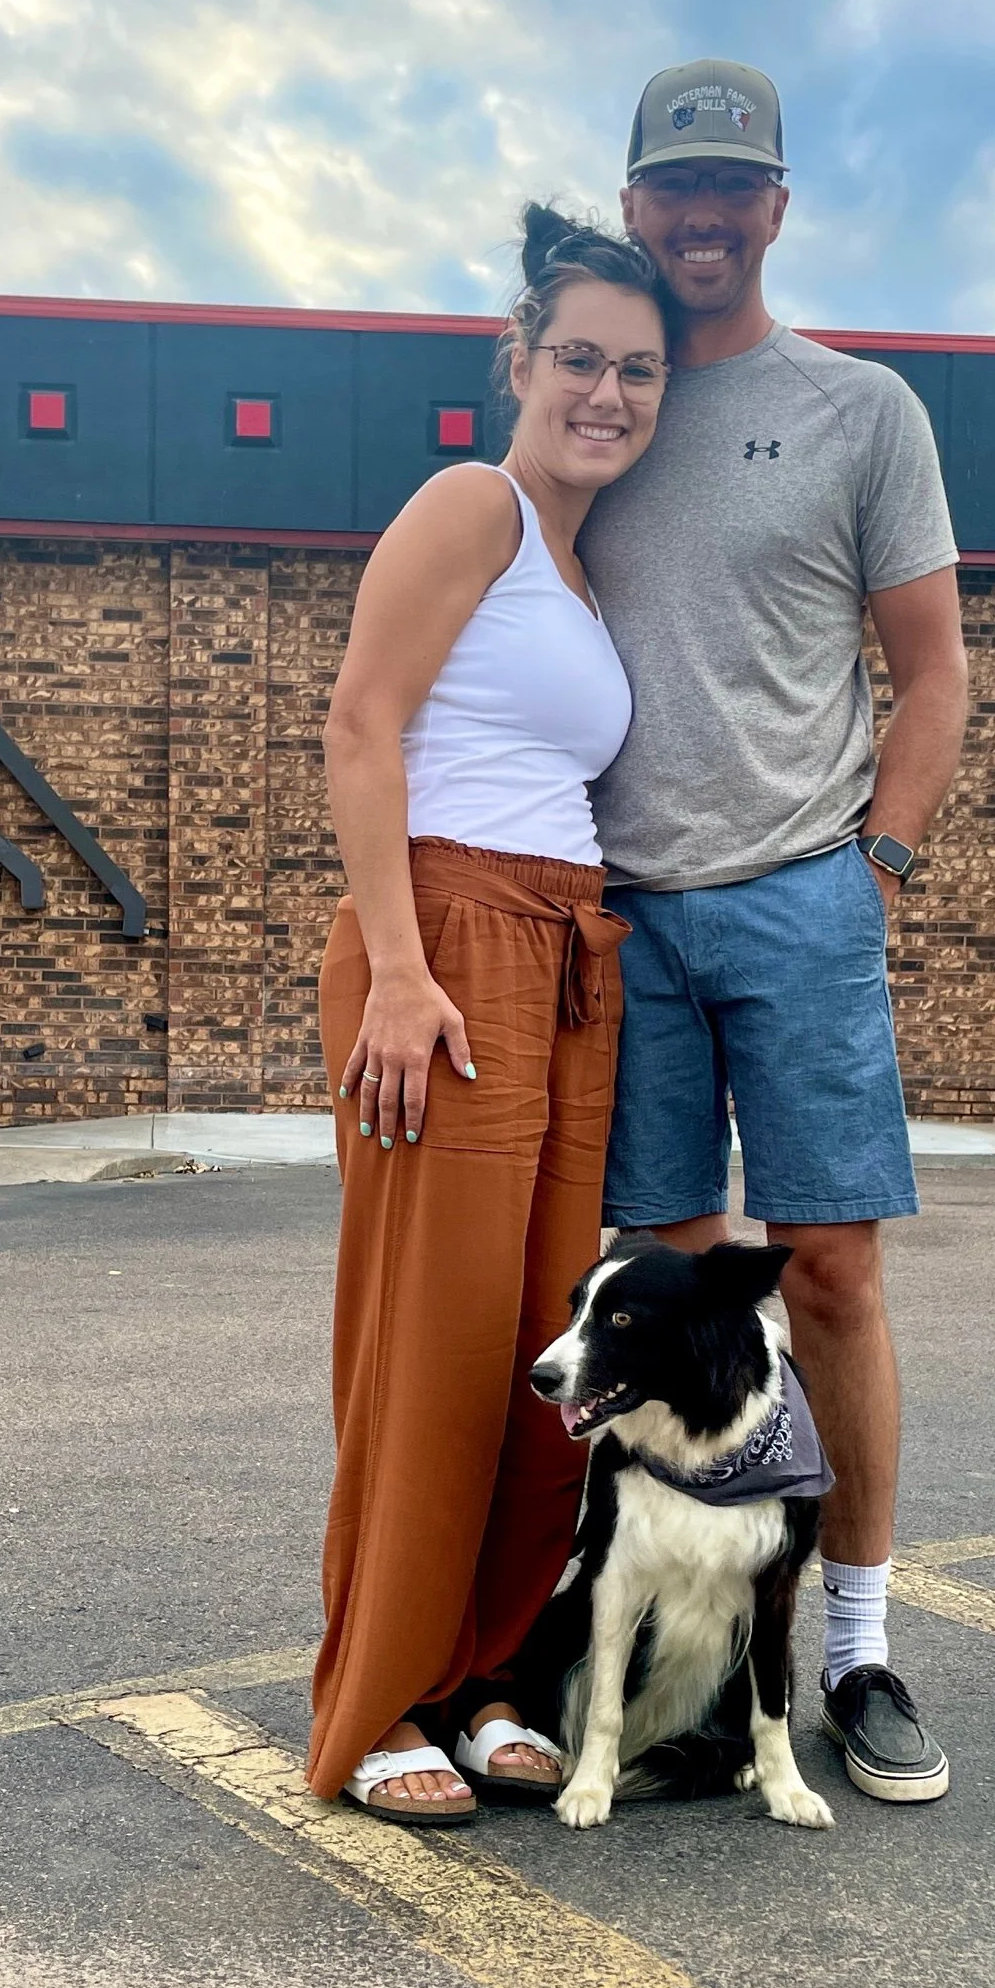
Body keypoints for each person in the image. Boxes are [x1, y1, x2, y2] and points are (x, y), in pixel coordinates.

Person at [575, 59, 969, 1804]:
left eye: (733, 187)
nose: (703, 216)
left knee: (829, 1279)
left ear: (777, 207)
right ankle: (675, 1665)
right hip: (626, 917)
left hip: (803, 898)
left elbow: (933, 672)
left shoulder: (859, 411)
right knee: (659, 1291)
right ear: (633, 202)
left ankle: (859, 1651)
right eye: (675, 186)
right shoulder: (599, 402)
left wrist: (872, 867)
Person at [306, 208, 665, 1821]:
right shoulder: (474, 505)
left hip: (567, 953)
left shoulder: (584, 574)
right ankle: (380, 1698)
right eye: (578, 358)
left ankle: (487, 1678)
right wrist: (397, 967)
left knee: (548, 1354)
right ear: (516, 362)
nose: (606, 393)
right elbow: (360, 724)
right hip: (445, 940)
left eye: (637, 370)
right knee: (432, 1342)